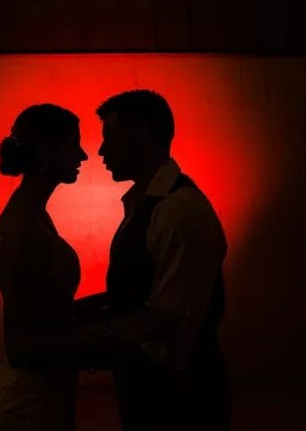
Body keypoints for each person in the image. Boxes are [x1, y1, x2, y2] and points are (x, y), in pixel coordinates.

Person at [91, 89, 231, 430]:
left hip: (180, 401)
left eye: (110, 136)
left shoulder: (178, 209)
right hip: (154, 391)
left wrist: (80, 340)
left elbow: (168, 316)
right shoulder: (154, 204)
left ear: (141, 133)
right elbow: (138, 295)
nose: (101, 150)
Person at [0, 103, 91, 431]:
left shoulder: (34, 216)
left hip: (47, 395)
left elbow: (46, 312)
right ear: (48, 149)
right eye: (75, 143)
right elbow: (19, 347)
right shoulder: (21, 227)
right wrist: (106, 339)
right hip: (29, 405)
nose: (84, 155)